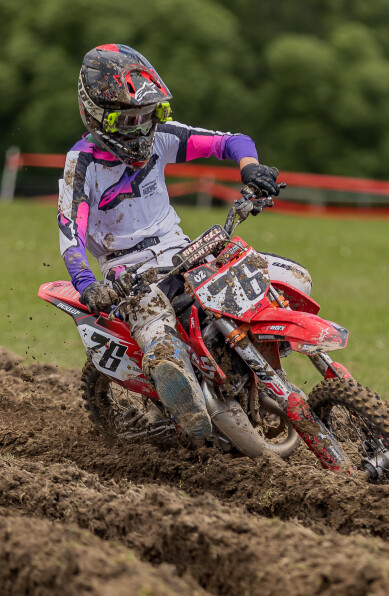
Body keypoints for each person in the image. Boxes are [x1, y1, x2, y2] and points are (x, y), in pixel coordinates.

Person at [57, 44, 311, 445]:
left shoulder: (162, 137)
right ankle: (186, 407)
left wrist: (251, 169)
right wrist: (89, 286)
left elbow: (231, 141)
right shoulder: (82, 164)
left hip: (183, 249)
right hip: (128, 273)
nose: (142, 128)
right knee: (157, 330)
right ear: (96, 115)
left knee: (284, 277)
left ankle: (254, 361)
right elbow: (70, 233)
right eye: (130, 120)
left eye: (149, 116)